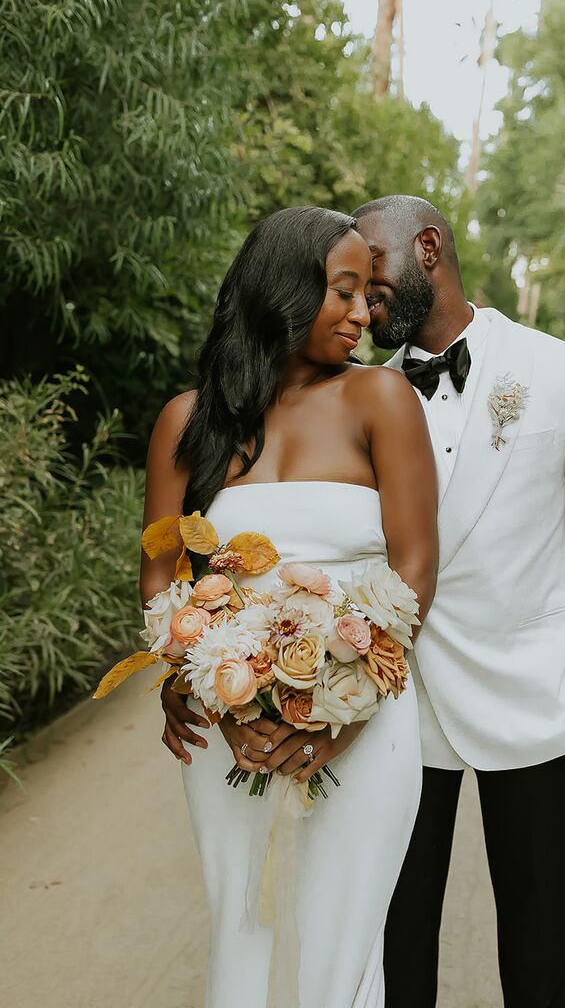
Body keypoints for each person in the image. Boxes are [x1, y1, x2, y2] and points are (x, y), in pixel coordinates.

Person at [351, 194, 565, 1008]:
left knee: (540, 950)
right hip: (399, 712)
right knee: (395, 943)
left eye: (370, 272)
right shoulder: (362, 399)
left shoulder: (559, 369)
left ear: (427, 248)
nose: (360, 296)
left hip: (534, 699)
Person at [143, 206, 438, 1008]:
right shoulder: (188, 422)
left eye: (368, 295)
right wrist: (208, 690)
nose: (363, 313)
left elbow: (412, 565)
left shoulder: (381, 399)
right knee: (241, 920)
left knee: (341, 938)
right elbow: (161, 578)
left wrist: (341, 706)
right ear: (283, 289)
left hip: (364, 715)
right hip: (226, 721)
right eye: (343, 291)